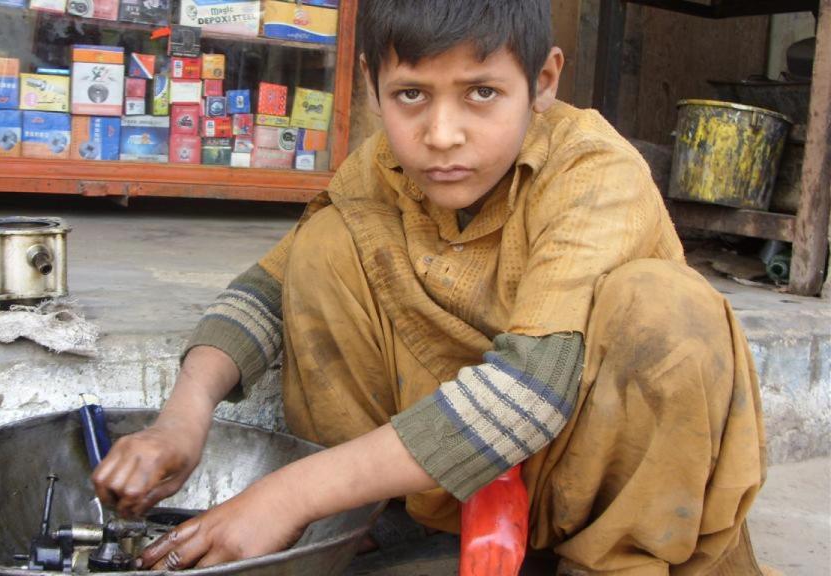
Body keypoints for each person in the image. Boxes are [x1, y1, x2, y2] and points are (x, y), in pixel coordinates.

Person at [92, 0, 767, 573]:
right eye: (411, 95)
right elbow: (268, 288)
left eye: (482, 93)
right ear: (372, 83)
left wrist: (287, 495)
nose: (441, 136)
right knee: (323, 248)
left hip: (580, 486)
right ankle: (377, 525)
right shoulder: (382, 163)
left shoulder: (595, 173)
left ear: (544, 80)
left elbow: (529, 392)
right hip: (445, 487)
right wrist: (183, 418)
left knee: (668, 312)